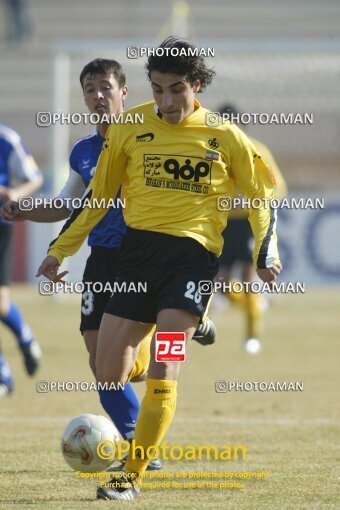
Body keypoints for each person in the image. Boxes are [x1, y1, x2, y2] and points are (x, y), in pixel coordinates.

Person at [37, 37, 282, 500]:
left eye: (176, 90)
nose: (167, 102)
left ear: (197, 85)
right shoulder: (129, 127)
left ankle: (130, 475)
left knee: (164, 374)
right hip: (136, 261)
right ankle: (178, 327)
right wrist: (59, 250)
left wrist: (264, 253)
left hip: (191, 264)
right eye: (157, 89)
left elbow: (261, 197)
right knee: (108, 372)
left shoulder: (225, 136)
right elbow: (98, 199)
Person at [1, 59, 213, 450]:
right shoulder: (83, 150)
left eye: (105, 88)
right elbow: (68, 205)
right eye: (89, 90)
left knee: (150, 360)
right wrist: (24, 210)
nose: (97, 96)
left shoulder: (149, 136)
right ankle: (138, 435)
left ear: (124, 93)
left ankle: (141, 442)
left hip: (145, 257)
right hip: (102, 259)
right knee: (102, 365)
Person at [217, 104, 287, 354]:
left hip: (248, 223)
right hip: (223, 224)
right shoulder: (212, 150)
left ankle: (252, 336)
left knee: (249, 280)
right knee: (222, 285)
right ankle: (256, 303)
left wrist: (255, 204)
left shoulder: (257, 150)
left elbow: (277, 187)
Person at [0, 124, 43, 397]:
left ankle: (25, 337)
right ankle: (3, 374)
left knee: (0, 304)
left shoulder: (7, 139)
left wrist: (14, 195)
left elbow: (35, 177)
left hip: (0, 226)